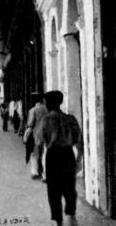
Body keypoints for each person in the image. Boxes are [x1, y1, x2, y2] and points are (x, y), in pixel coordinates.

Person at [39, 91, 83, 226]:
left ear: (49, 103)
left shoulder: (45, 120)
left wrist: (41, 164)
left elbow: (41, 142)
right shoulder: (71, 119)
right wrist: (79, 159)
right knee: (70, 187)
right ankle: (71, 215)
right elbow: (79, 141)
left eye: (46, 102)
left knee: (53, 190)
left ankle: (58, 221)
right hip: (68, 155)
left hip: (52, 156)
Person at [23, 92, 47, 180]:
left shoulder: (33, 110)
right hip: (46, 134)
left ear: (34, 100)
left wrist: (25, 136)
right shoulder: (47, 108)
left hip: (36, 134)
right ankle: (45, 175)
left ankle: (35, 172)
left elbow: (30, 124)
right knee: (45, 154)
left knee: (34, 154)